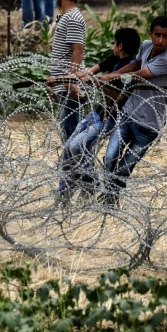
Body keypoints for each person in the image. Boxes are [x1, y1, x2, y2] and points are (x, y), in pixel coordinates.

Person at [98, 16, 167, 205]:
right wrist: (112, 74)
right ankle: (110, 199)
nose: (160, 40)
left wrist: (111, 77)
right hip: (128, 115)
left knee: (124, 168)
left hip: (149, 125)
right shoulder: (147, 46)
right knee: (110, 158)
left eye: (165, 37)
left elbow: (139, 75)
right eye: (157, 35)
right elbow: (135, 64)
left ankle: (110, 199)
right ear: (150, 33)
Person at [58, 27, 141, 201]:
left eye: (114, 42)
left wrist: (98, 83)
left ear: (119, 45)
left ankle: (91, 181)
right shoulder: (114, 59)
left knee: (76, 147)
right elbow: (91, 71)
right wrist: (66, 78)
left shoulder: (130, 69)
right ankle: (67, 188)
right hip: (97, 113)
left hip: (109, 120)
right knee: (68, 147)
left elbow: (121, 98)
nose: (113, 46)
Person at [47, 0, 86, 143]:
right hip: (64, 84)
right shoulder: (68, 17)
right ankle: (73, 168)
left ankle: (76, 169)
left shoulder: (73, 18)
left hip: (71, 86)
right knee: (68, 134)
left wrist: (71, 81)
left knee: (72, 135)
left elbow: (77, 51)